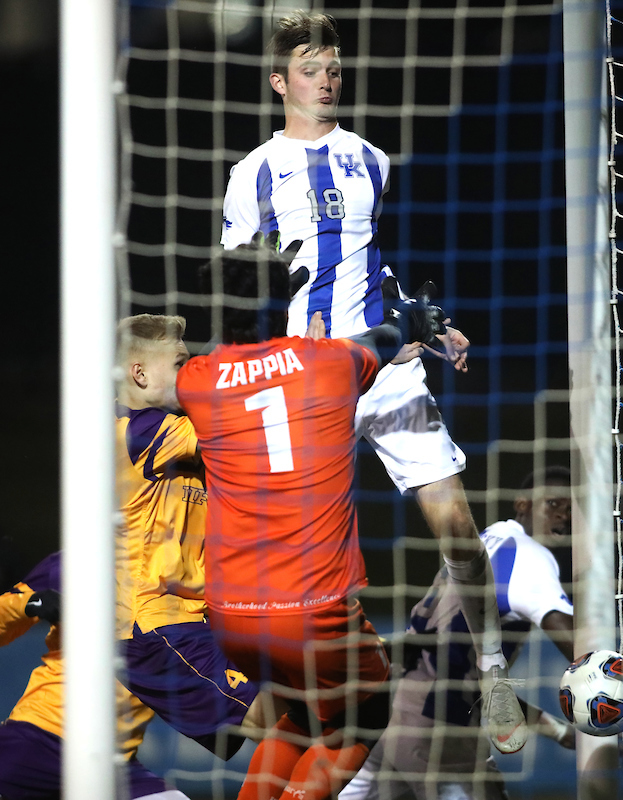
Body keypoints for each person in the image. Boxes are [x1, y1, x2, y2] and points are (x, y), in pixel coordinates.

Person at [219, 9, 525, 755]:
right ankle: (270, 694)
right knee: (294, 552)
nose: (327, 80)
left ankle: (490, 675)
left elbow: (375, 264)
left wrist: (430, 319)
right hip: (308, 383)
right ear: (279, 81)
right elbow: (226, 282)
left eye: (333, 68)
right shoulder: (253, 172)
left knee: (457, 526)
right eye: (311, 70)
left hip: (387, 369)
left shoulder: (372, 159)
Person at [175, 232, 449, 800]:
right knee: (370, 705)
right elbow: (392, 333)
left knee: (302, 712)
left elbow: (235, 357)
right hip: (311, 608)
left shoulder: (196, 382)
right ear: (283, 303)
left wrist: (257, 301)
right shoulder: (329, 362)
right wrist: (418, 316)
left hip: (230, 614)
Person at [339, 466, 623, 800]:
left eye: (569, 509)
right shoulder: (530, 558)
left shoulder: (490, 542)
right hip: (435, 731)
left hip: (391, 716)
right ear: (523, 504)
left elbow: (478, 685)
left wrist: (558, 733)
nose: (563, 515)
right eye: (553, 504)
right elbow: (594, 663)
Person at [0, 551, 188, 800]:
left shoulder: (188, 580)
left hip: (113, 759)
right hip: (40, 734)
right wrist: (31, 603)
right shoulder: (74, 564)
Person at [115, 313, 272, 760]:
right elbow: (242, 410)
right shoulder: (140, 431)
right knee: (286, 718)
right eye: (181, 363)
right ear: (139, 374)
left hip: (196, 617)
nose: (194, 369)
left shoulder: (166, 435)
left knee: (294, 719)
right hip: (155, 624)